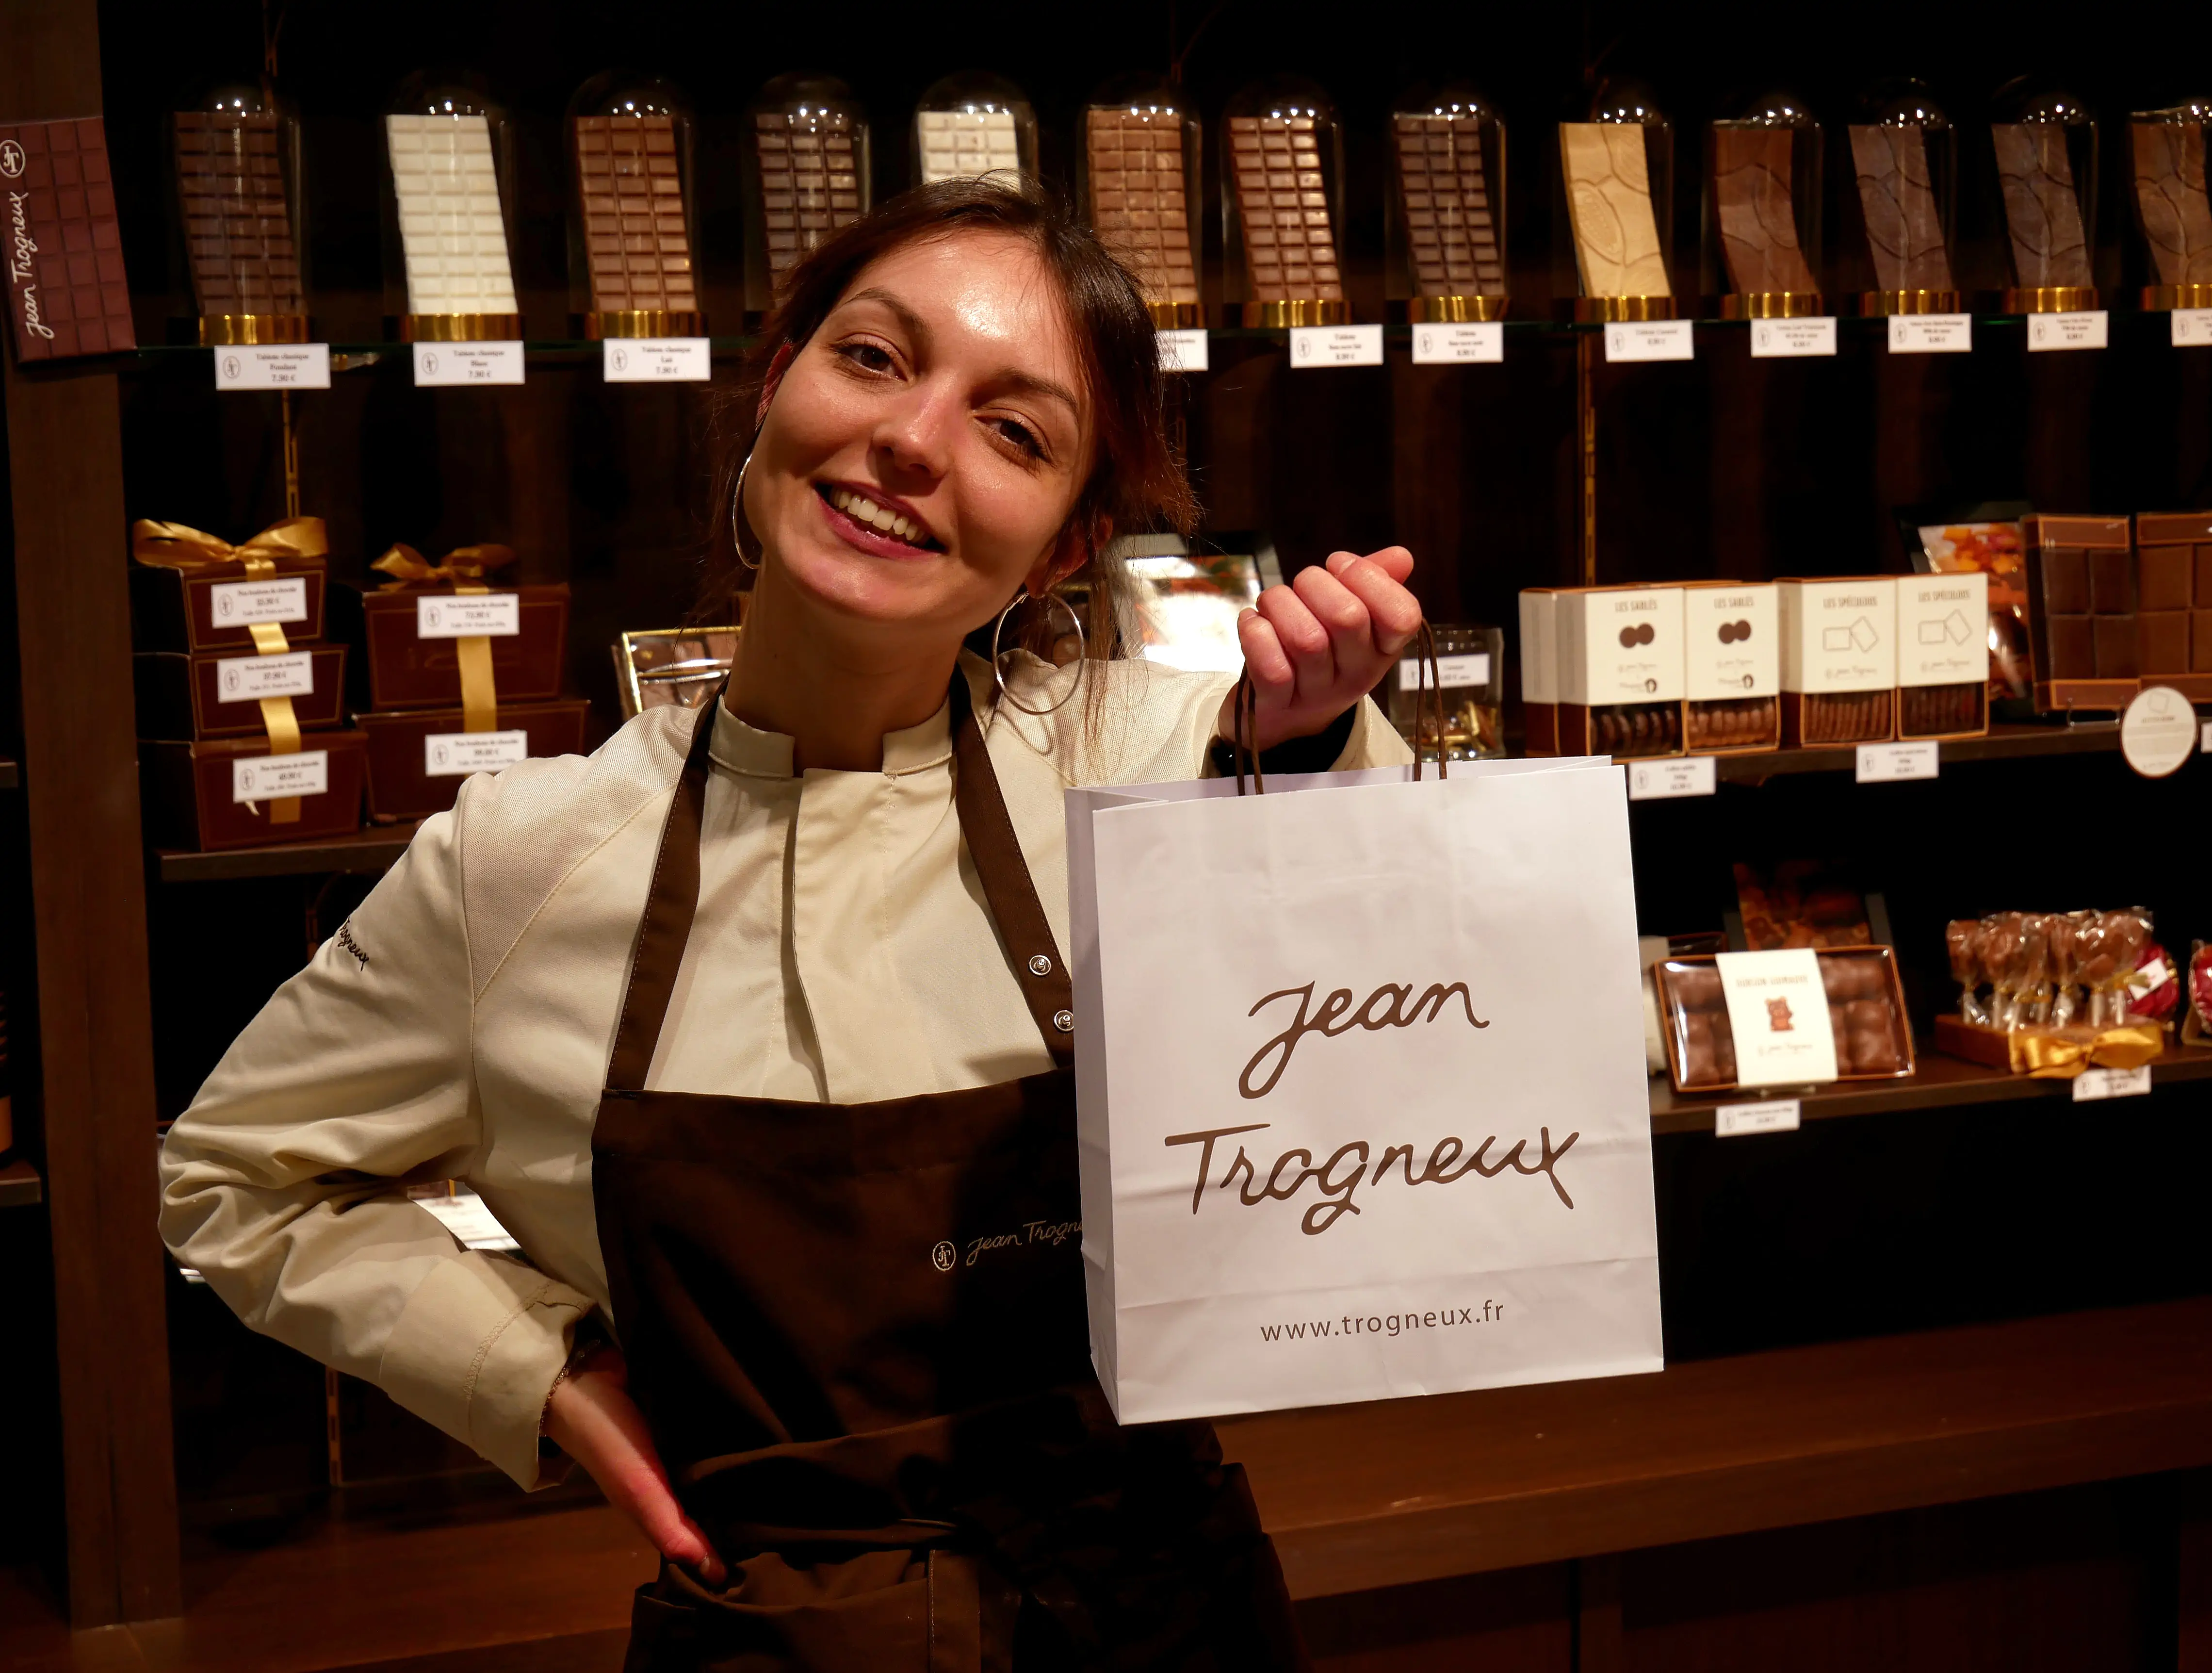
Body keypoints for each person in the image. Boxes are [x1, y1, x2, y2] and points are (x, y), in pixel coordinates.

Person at [161, 177, 1421, 1669]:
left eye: (1014, 432)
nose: (910, 439)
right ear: (776, 389)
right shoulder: (524, 855)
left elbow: (1389, 1013)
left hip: (1158, 1615)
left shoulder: (1156, 762)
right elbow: (235, 1178)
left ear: (1068, 548)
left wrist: (1325, 741)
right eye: (876, 359)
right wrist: (539, 1374)